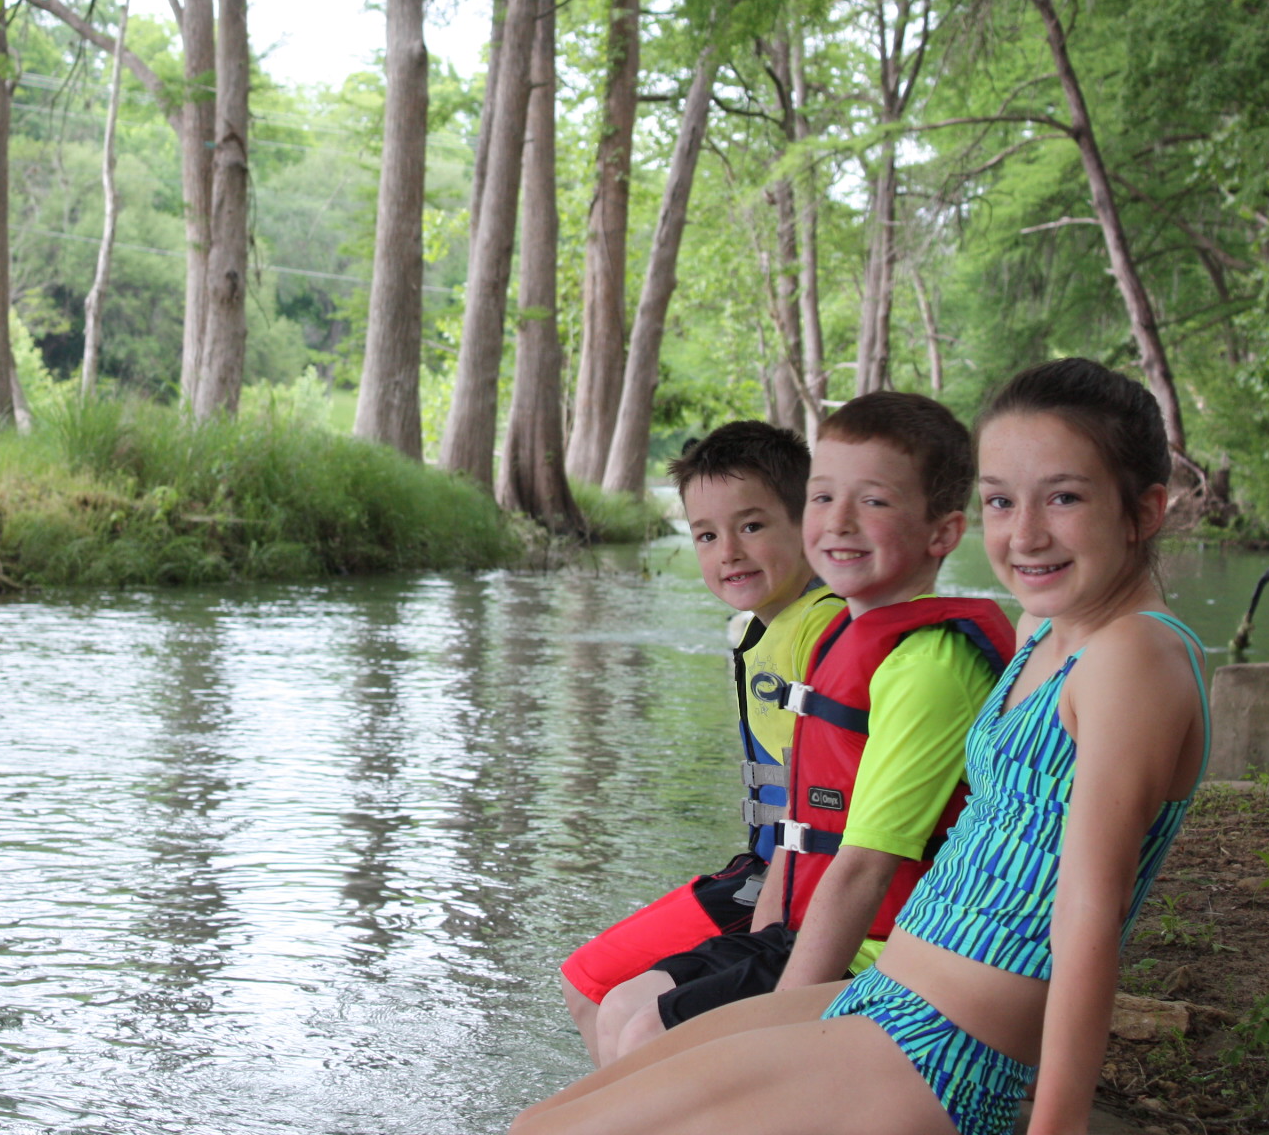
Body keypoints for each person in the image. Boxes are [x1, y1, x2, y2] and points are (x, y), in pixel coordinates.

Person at [513, 358, 1211, 1135]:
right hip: (881, 997)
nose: (1026, 533)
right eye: (1001, 502)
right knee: (550, 1116)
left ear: (1145, 511)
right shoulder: (1045, 629)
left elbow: (1087, 918)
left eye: (1065, 498)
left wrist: (1056, 1127)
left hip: (945, 1051)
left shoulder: (1133, 659)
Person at [589, 393, 1015, 1064]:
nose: (839, 522)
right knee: (621, 1006)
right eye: (822, 498)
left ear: (942, 533)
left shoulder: (928, 667)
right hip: (806, 922)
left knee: (650, 1033)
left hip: (885, 955)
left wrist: (784, 1014)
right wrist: (761, 936)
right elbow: (802, 817)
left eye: (872, 501)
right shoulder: (847, 633)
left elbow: (866, 866)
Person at [560, 421, 847, 1066]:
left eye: (751, 526)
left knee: (606, 994)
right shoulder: (763, 629)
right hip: (762, 868)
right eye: (707, 535)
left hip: (794, 884)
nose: (729, 553)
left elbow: (825, 800)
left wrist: (776, 925)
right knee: (588, 980)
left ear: (807, 520)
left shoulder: (822, 630)